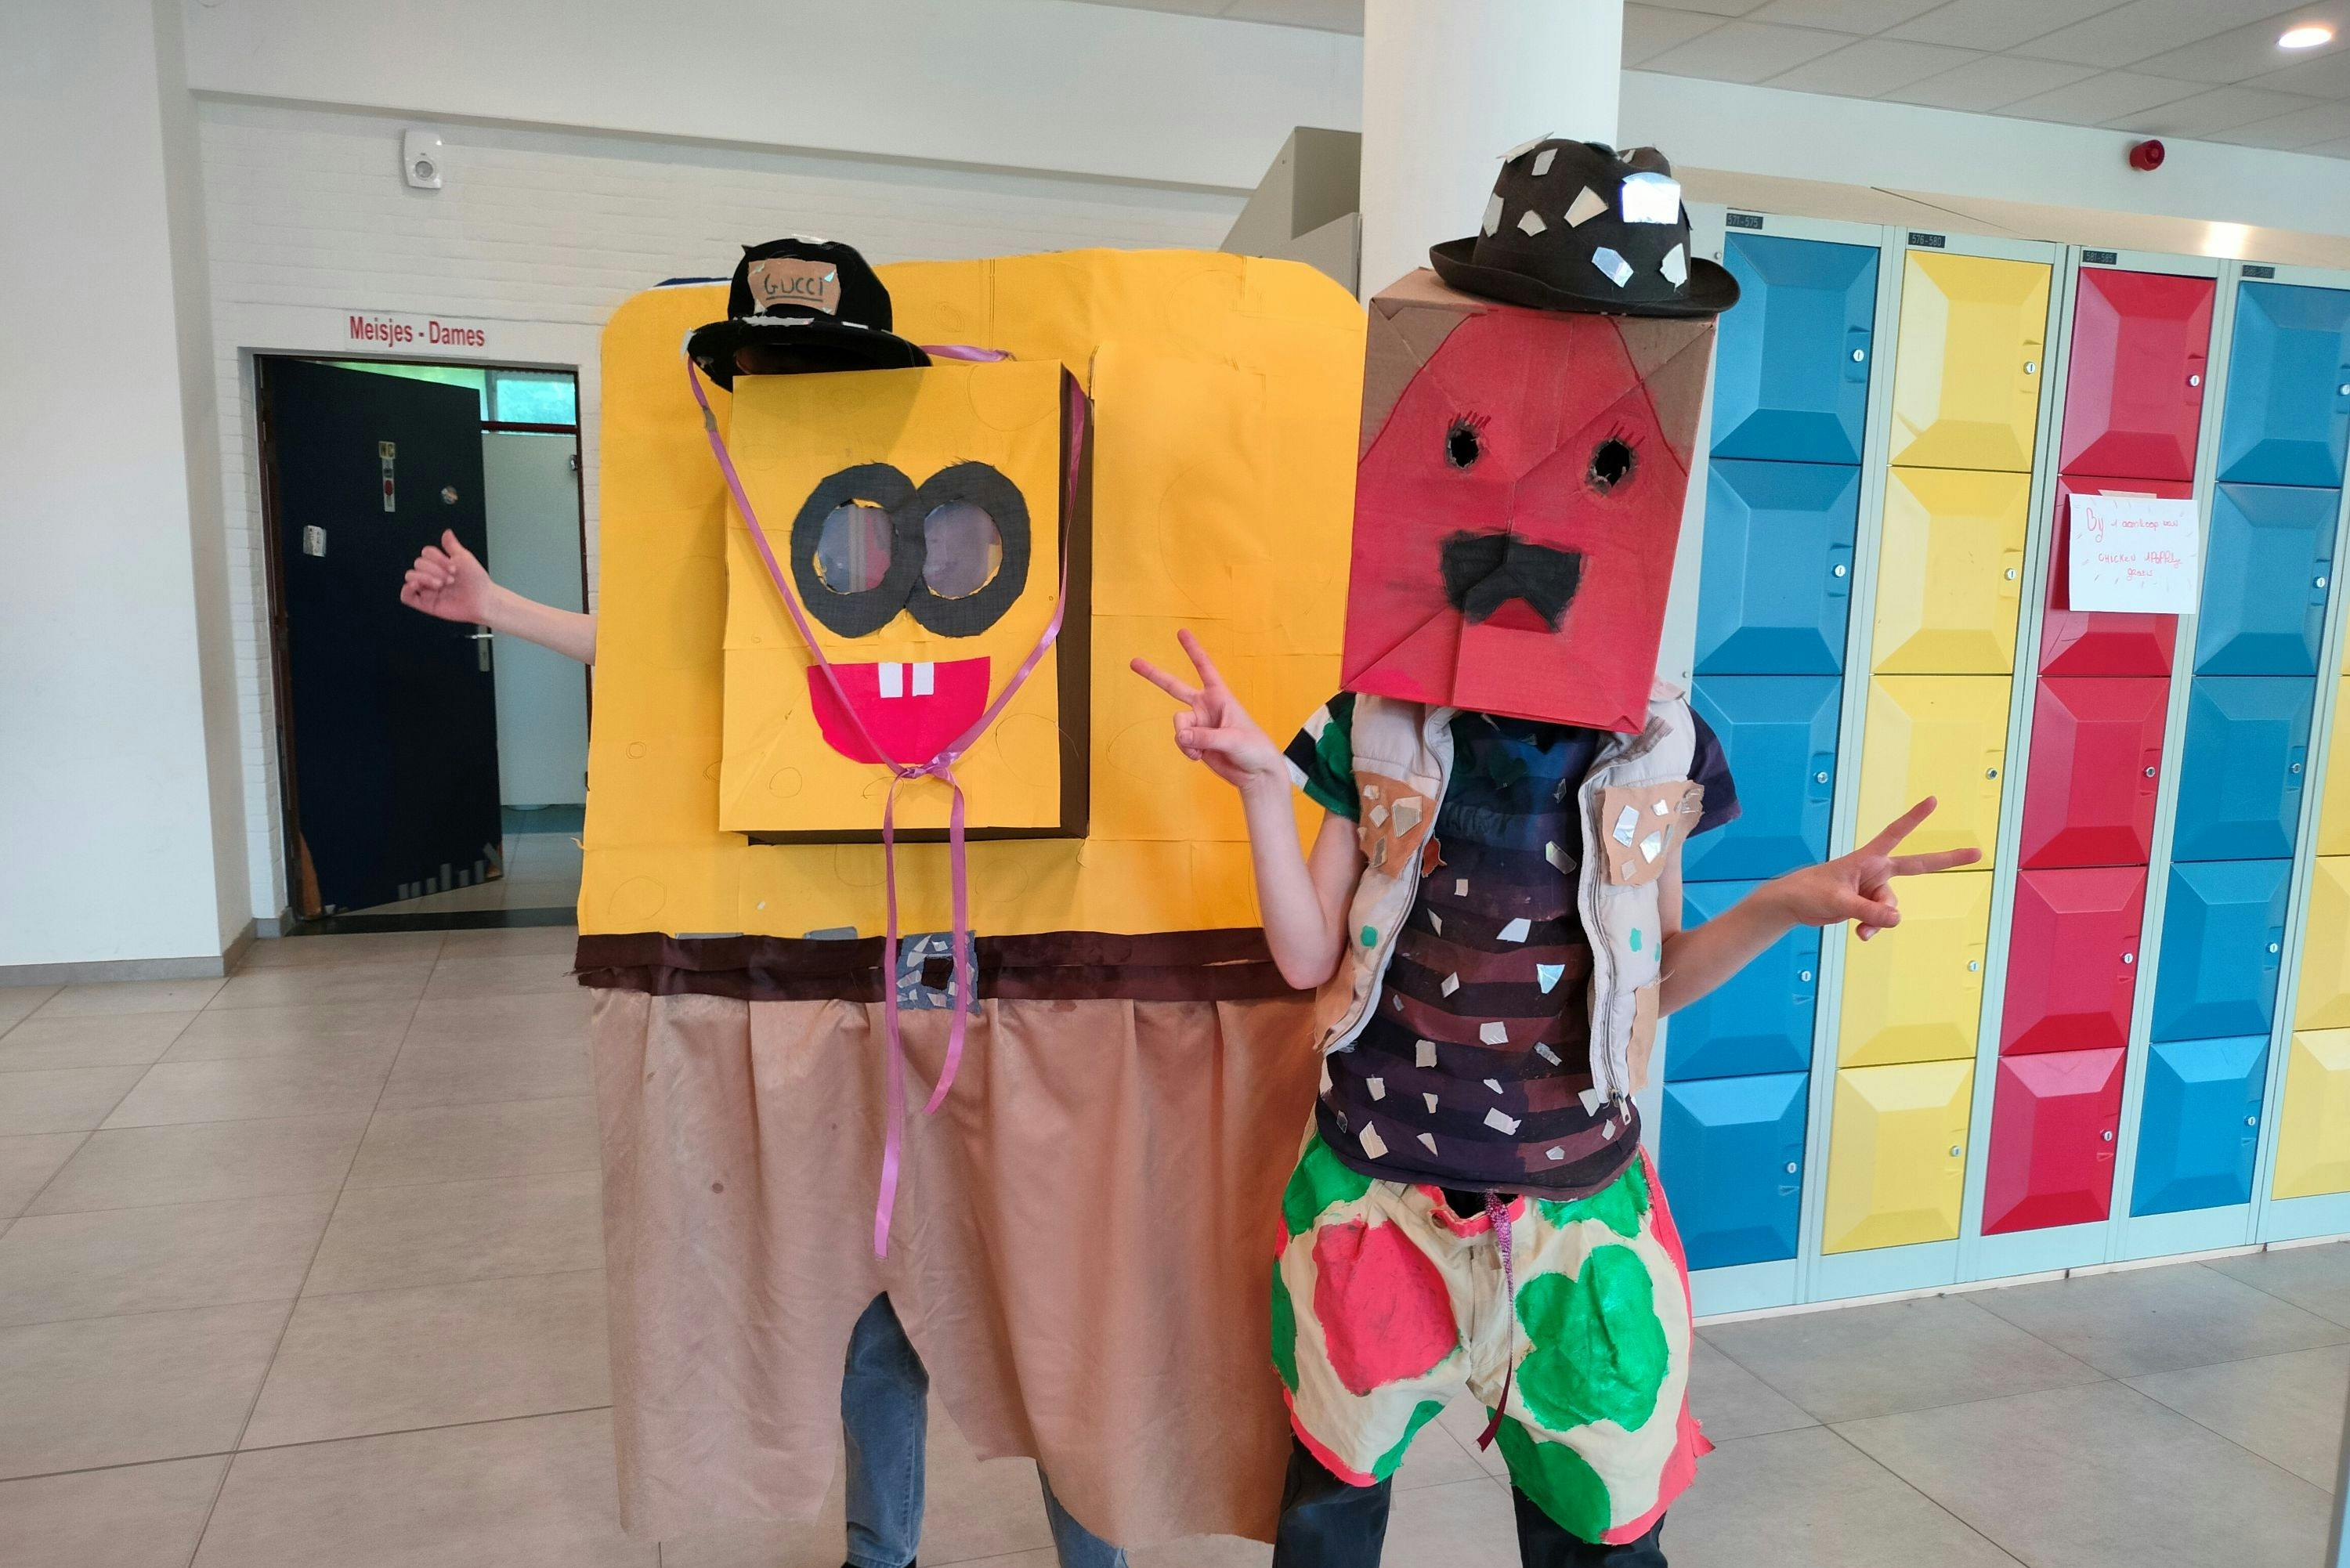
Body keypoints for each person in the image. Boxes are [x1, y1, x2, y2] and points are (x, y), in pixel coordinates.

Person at [1130, 137, 1983, 1567]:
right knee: (1329, 1520)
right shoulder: (1375, 718)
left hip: (1579, 1215)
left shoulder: (1657, 742)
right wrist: (1267, 790)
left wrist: (1788, 901)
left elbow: (1650, 981)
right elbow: (1306, 952)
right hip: (1379, 1190)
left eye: (1603, 456)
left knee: (1597, 1538)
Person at [400, 235, 1129, 1568]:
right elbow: (674, 660)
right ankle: (880, 1549)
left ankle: (1097, 1554)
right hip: (824, 963)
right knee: (874, 1301)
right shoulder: (769, 522)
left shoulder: (966, 494)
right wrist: (500, 605)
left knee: (1044, 1291)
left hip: (1001, 958)